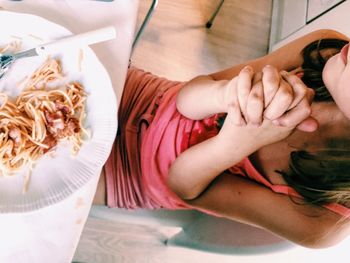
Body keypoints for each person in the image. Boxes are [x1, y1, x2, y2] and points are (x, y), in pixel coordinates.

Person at [93, 29, 350, 248]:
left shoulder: (324, 223)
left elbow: (181, 185)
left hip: (130, 176)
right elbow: (186, 98)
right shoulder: (326, 50)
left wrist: (237, 143)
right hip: (142, 95)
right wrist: (226, 94)